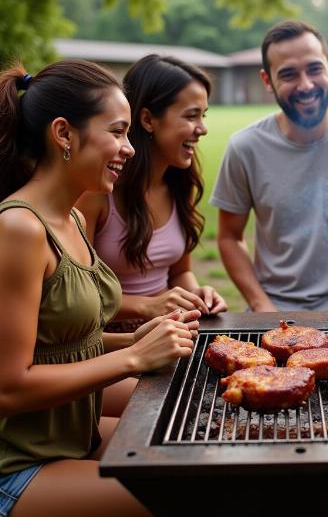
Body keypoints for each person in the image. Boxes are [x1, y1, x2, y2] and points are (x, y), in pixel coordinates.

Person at [0, 59, 200, 517]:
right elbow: (8, 387)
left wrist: (132, 339)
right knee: (180, 495)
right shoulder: (19, 229)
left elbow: (58, 343)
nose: (129, 149)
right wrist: (131, 359)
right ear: (64, 134)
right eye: (117, 131)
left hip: (75, 436)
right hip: (20, 463)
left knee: (190, 450)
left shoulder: (69, 217)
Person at [210, 20, 328, 312]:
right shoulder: (245, 147)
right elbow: (229, 237)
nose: (306, 85)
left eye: (314, 69)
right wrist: (261, 305)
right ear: (267, 80)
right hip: (274, 304)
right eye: (288, 74)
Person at [77, 55, 227, 333]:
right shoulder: (98, 191)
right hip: (109, 348)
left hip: (168, 337)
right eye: (191, 115)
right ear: (147, 119)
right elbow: (75, 296)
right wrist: (148, 305)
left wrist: (197, 295)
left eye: (202, 116)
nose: (202, 129)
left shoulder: (180, 183)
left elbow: (179, 272)